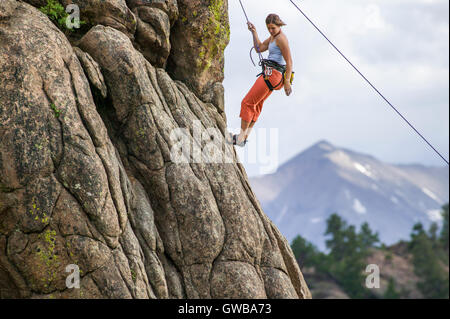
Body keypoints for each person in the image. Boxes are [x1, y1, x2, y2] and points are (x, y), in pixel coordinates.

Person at [228, 13, 293, 147]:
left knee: (246, 103)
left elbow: (289, 61)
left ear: (279, 25)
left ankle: (240, 138)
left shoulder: (281, 39)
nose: (270, 30)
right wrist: (254, 32)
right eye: (268, 28)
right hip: (272, 75)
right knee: (256, 105)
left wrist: (287, 82)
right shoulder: (272, 38)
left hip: (273, 75)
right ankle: (244, 138)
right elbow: (259, 48)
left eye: (273, 28)